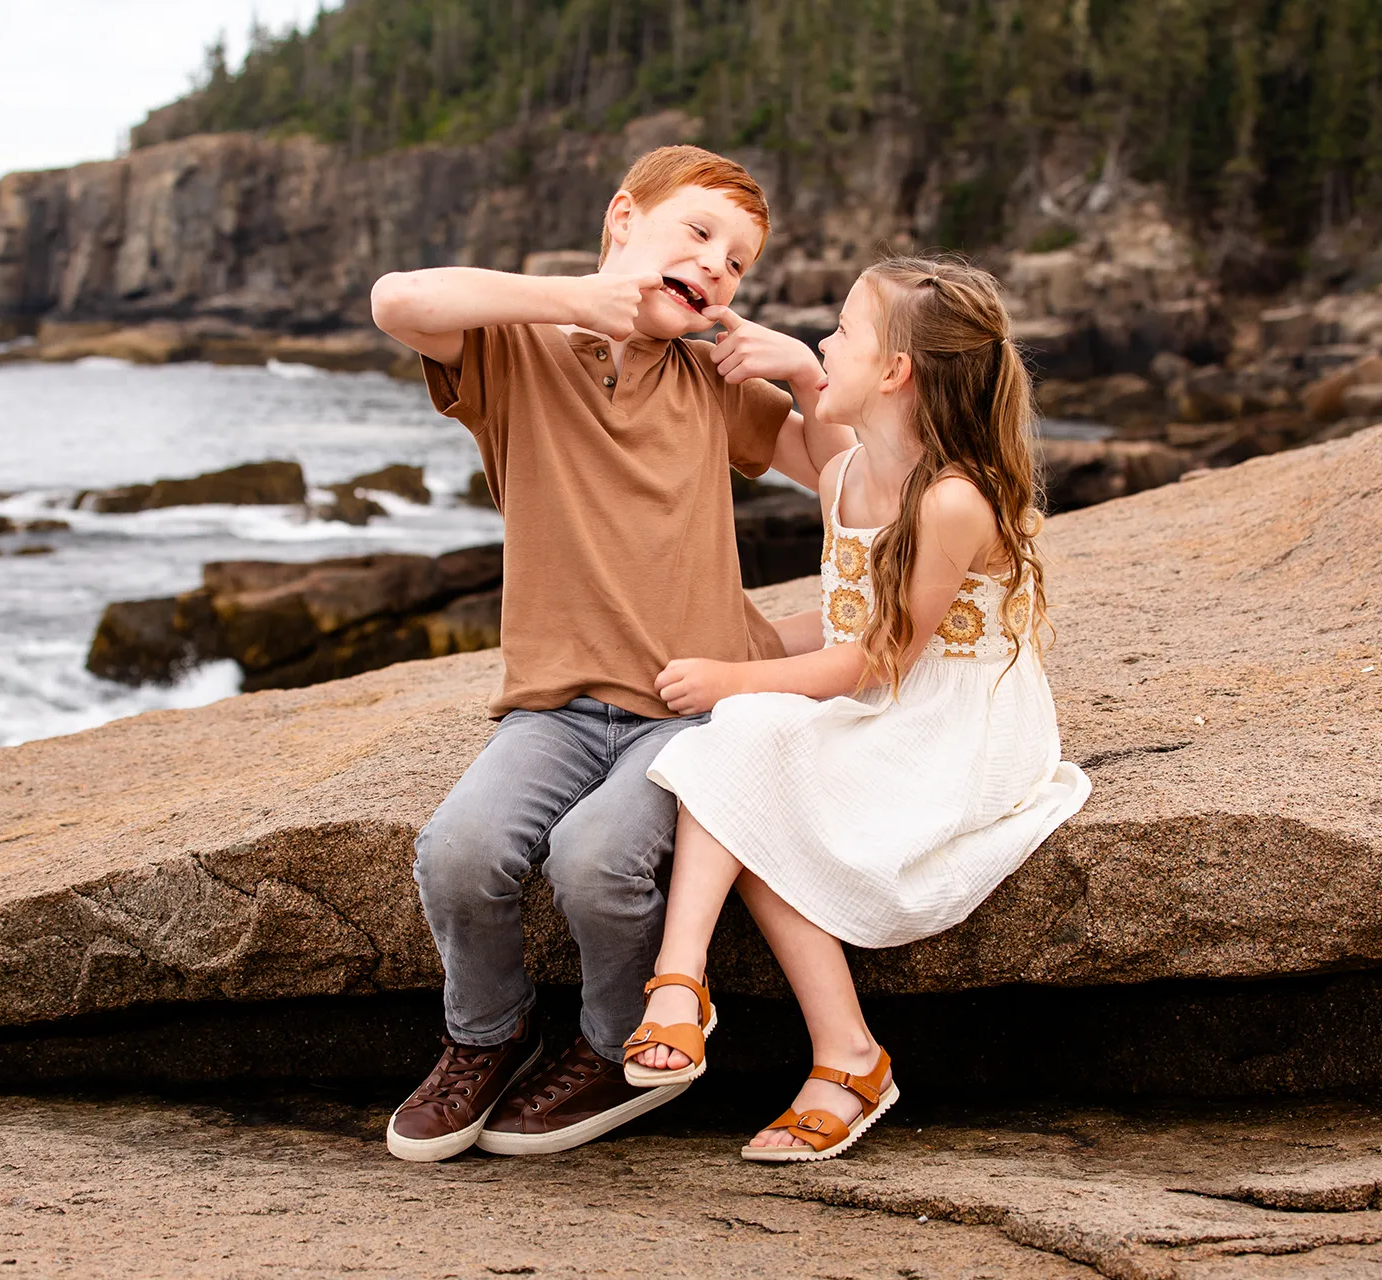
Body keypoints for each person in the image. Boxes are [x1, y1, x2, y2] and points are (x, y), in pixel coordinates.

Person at [368, 145, 853, 1161]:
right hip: (553, 704)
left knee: (597, 863)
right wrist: (586, 299)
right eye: (699, 235)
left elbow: (839, 479)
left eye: (739, 262)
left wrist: (806, 375)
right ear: (622, 219)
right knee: (459, 852)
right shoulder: (516, 351)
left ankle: (607, 1043)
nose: (719, 267)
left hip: (692, 706)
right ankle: (488, 1036)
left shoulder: (705, 379)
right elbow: (397, 299)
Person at [624, 256, 1092, 1162]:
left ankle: (732, 1005)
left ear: (895, 374)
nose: (822, 341)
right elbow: (839, 600)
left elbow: (877, 658)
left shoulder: (954, 500)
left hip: (953, 726)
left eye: (840, 332)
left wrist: (732, 676)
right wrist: (798, 370)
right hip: (885, 696)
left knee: (750, 750)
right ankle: (732, 1007)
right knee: (752, 780)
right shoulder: (851, 472)